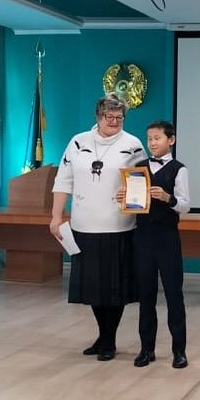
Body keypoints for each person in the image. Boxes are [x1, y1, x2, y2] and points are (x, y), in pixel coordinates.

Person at [50, 94, 145, 361]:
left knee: (114, 288)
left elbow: (141, 182)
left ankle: (109, 340)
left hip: (118, 226)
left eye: (119, 117)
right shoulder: (78, 142)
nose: (114, 121)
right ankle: (103, 335)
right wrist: (56, 216)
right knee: (92, 287)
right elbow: (63, 180)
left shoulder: (133, 144)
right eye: (109, 116)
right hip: (83, 225)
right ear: (98, 116)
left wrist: (130, 195)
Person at [117, 120, 191, 369]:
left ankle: (179, 351)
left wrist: (168, 198)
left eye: (157, 138)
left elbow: (185, 205)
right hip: (143, 238)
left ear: (171, 140)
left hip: (167, 238)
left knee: (173, 295)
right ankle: (146, 349)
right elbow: (133, 204)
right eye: (149, 139)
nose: (152, 143)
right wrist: (122, 198)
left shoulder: (179, 169)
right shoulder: (139, 168)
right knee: (146, 296)